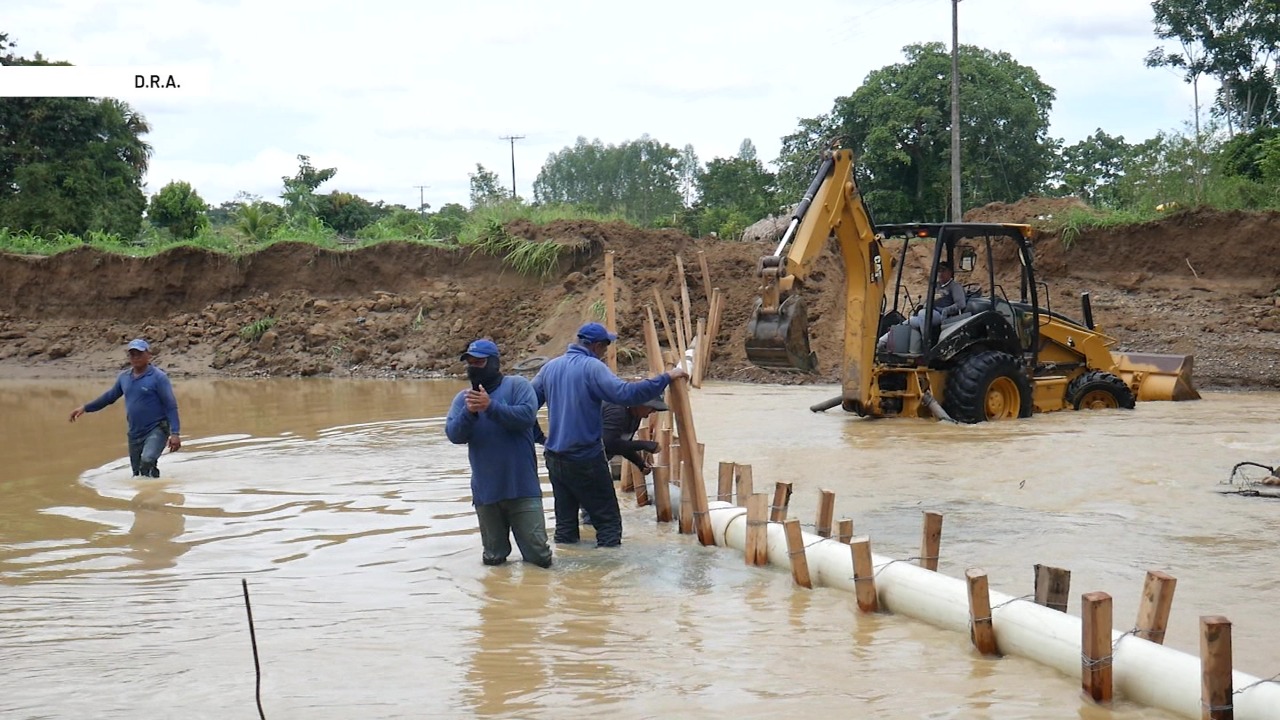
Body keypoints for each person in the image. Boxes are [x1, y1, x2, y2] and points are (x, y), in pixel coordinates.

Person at [532, 322, 687, 548]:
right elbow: (626, 394)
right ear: (596, 346)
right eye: (605, 347)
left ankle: (567, 575)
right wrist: (666, 377)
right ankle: (605, 576)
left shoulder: (550, 368)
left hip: (555, 458)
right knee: (609, 524)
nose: (605, 353)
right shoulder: (592, 367)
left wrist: (541, 439)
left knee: (565, 525)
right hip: (584, 458)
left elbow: (526, 406)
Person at [446, 338, 553, 568]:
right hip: (486, 493)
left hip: (522, 489)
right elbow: (454, 435)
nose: (473, 367)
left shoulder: (517, 386)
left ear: (494, 363)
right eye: (470, 362)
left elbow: (526, 417)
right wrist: (470, 414)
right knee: (494, 559)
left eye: (479, 362)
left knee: (540, 558)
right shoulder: (463, 400)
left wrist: (490, 407)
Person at [69, 338, 182, 478]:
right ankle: (151, 494)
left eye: (139, 354)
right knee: (137, 474)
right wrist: (86, 408)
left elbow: (170, 406)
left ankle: (153, 480)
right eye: (132, 354)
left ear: (148, 355)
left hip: (157, 428)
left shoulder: (159, 377)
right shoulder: (124, 378)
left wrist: (175, 433)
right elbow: (109, 397)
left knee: (147, 460)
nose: (135, 357)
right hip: (134, 433)